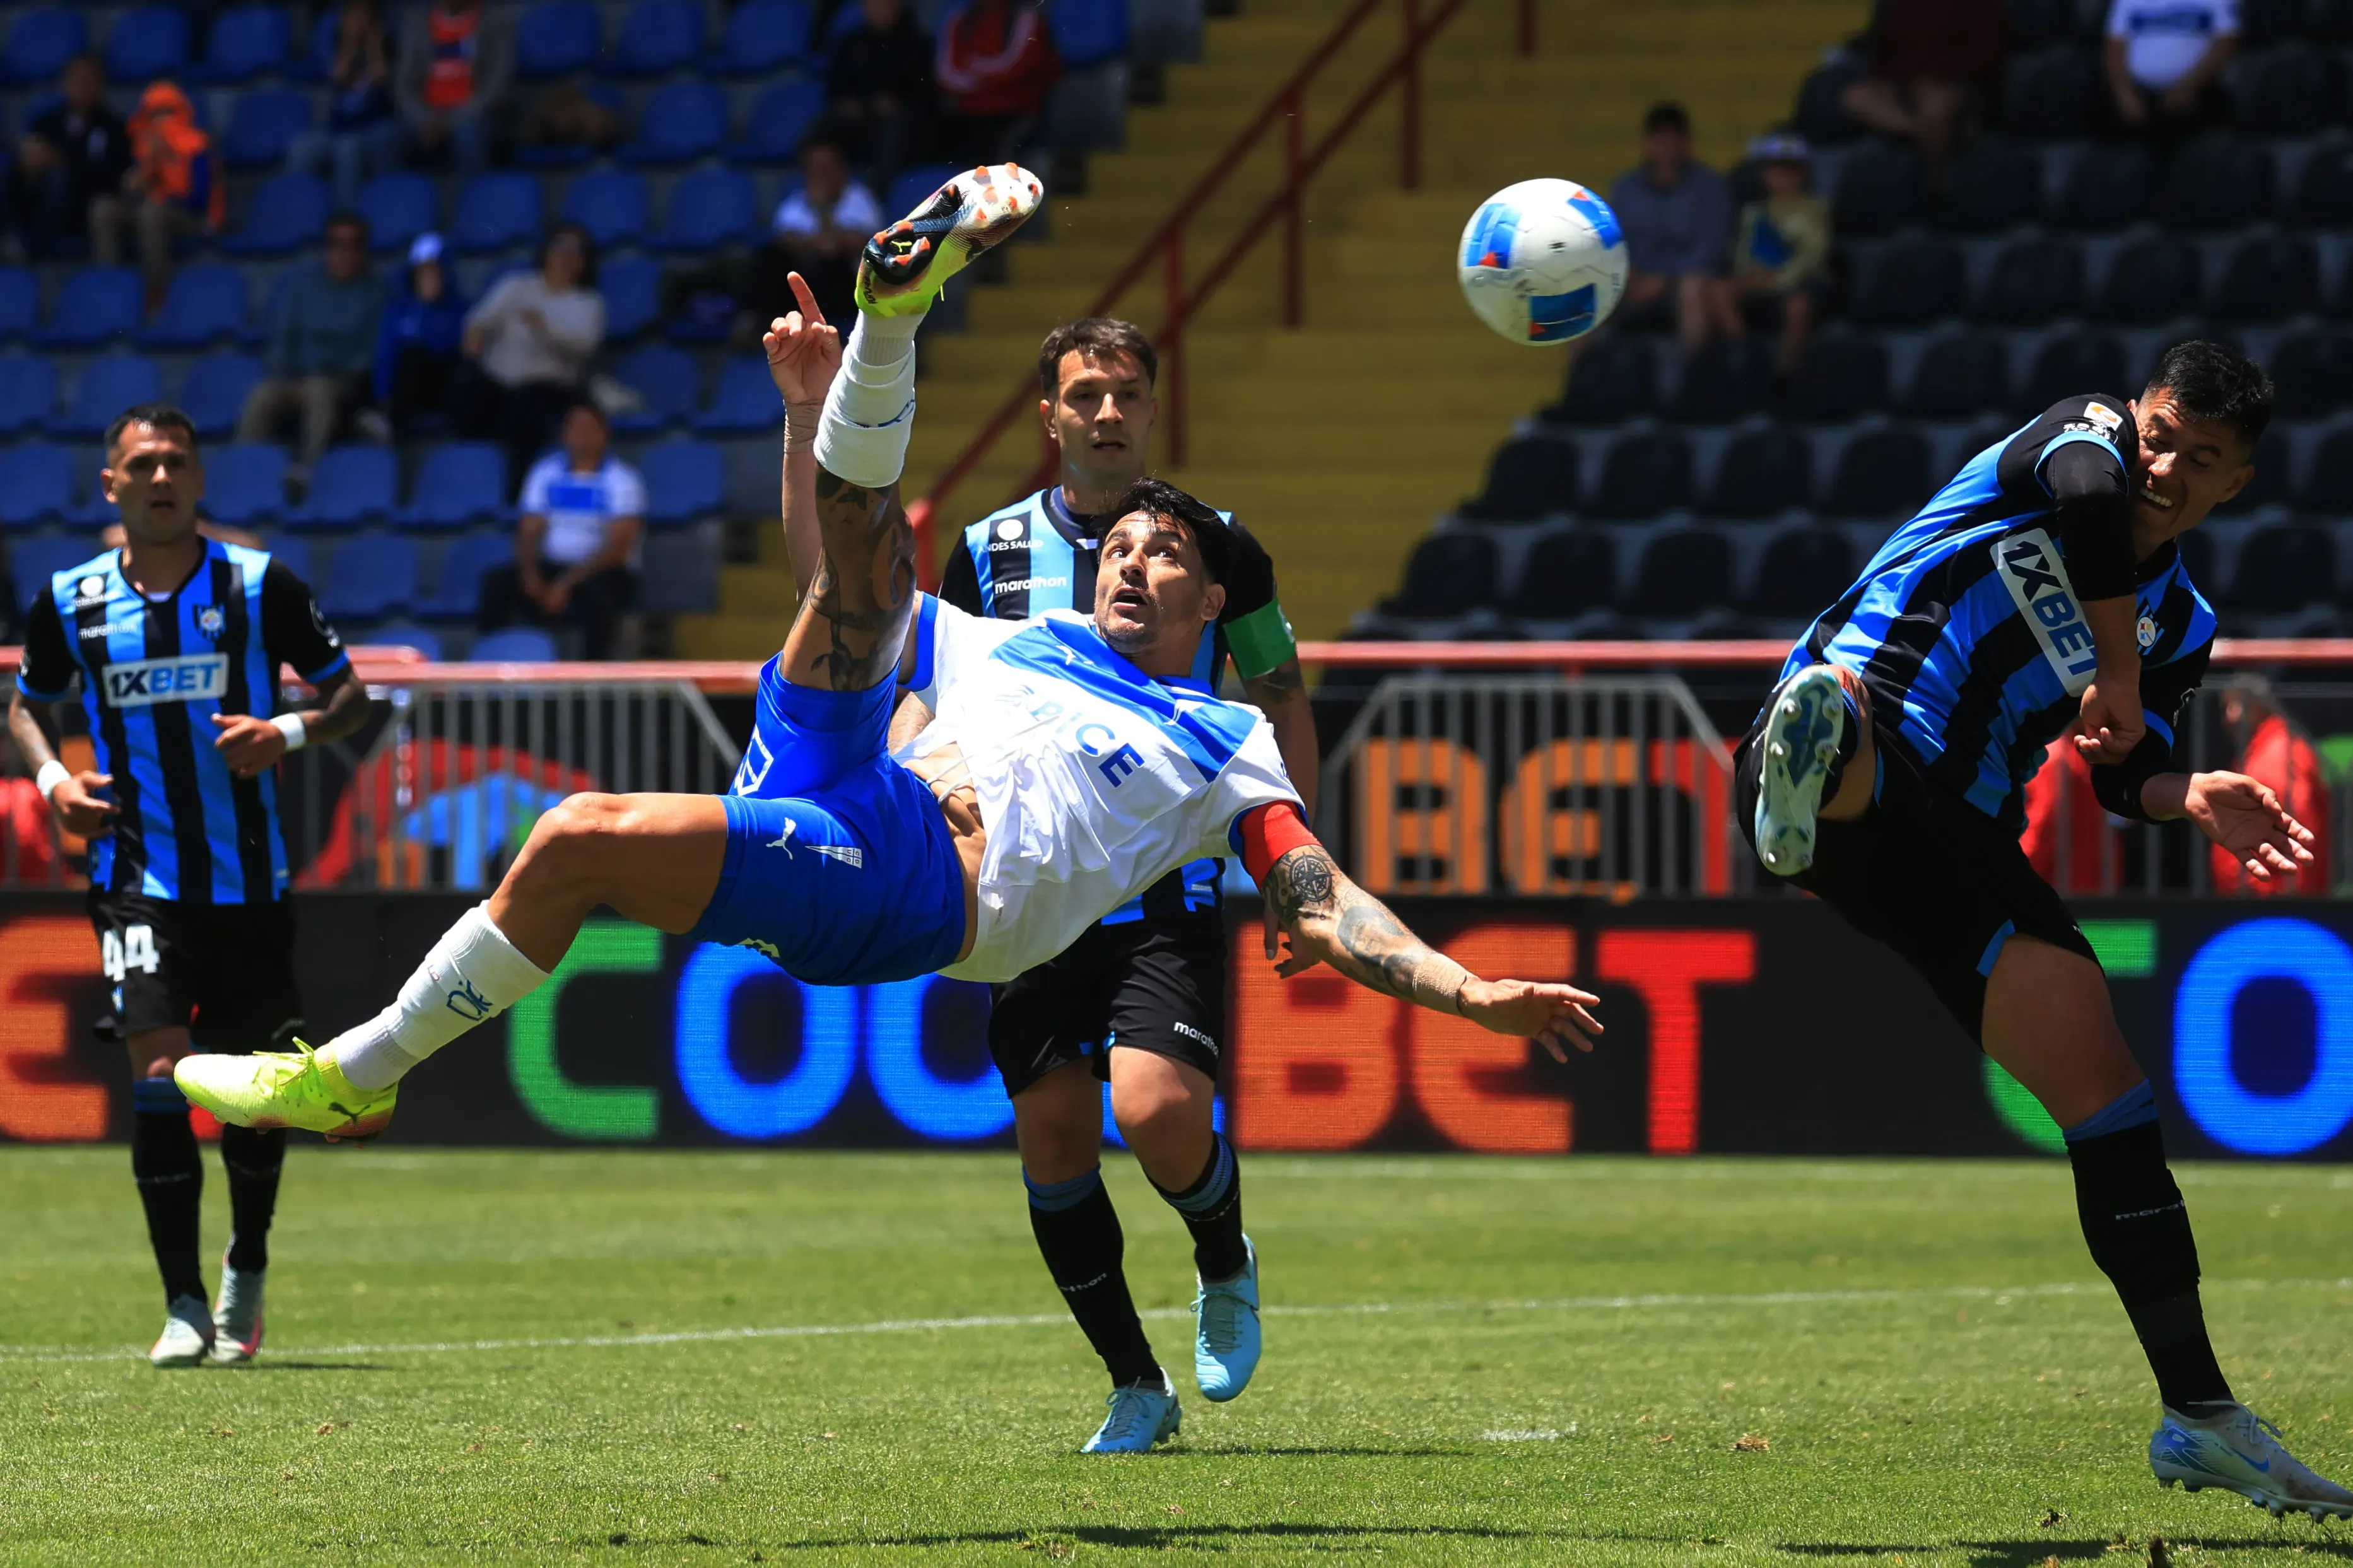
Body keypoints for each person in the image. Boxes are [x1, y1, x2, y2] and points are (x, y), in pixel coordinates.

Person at [173, 173, 1604, 1452]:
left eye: (1161, 552)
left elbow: (1318, 897)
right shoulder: (1023, 639)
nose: (1127, 563)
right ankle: (889, 321)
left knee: (576, 836)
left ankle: (349, 1072)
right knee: (868, 565)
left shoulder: (1224, 737)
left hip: (919, 877)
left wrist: (1468, 994)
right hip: (846, 762)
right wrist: (805, 413)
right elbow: (834, 570)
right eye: (1114, 545)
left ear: (1208, 597)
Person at [1738, 342, 2351, 1519]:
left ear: (2239, 487)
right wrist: (2112, 666)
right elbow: (2090, 504)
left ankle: (2201, 1417)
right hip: (1884, 731)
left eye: (2204, 460)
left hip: (1956, 850)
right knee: (1857, 722)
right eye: (2163, 433)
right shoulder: (2074, 441)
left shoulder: (2183, 622)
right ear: (2138, 411)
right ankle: (1811, 769)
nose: (2167, 465)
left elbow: (2128, 769)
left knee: (2110, 1097)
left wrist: (2188, 795)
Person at [903, 315, 1315, 1450]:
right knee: (1052, 1136)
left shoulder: (1220, 546)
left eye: (1127, 392)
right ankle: (1137, 1384)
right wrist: (911, 780)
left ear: (1150, 407)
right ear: (1050, 415)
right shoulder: (988, 552)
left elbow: (1278, 690)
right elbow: (936, 690)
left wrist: (1291, 865)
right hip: (1030, 885)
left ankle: (1223, 1251)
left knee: (1158, 1111)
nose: (1107, 413)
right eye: (1086, 393)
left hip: (1160, 875)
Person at [8, 404, 370, 1368]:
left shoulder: (258, 586)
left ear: (199, 478)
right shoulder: (72, 599)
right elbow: (26, 704)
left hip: (249, 881)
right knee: (161, 1081)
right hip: (133, 874)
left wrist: (283, 732)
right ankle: (179, 1305)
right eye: (142, 464)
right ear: (110, 484)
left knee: (254, 1092)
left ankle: (243, 1267)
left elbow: (350, 697)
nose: (160, 477)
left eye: (175, 462)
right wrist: (54, 783)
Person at [476, 402, 644, 660]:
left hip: (601, 571)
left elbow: (618, 549)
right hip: (552, 565)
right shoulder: (545, 472)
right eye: (575, 428)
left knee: (602, 596)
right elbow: (528, 530)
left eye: (589, 428)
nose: (582, 435)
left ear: (604, 434)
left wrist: (565, 585)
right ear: (564, 434)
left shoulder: (622, 480)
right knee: (496, 584)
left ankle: (593, 678)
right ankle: (491, 666)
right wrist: (530, 576)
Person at [237, 212, 386, 492]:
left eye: (351, 245)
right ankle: (241, 472)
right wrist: (289, 374)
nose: (343, 254)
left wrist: (330, 372)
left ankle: (308, 470)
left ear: (362, 251)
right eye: (336, 245)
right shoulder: (303, 288)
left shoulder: (376, 293)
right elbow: (283, 339)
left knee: (319, 390)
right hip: (296, 376)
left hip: (342, 382)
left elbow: (372, 351)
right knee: (262, 395)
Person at [452, 225, 605, 496]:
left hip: (547, 385)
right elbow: (479, 321)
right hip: (498, 378)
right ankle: (468, 486)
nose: (565, 256)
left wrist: (545, 330)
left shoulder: (588, 303)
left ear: (584, 263)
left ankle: (516, 493)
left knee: (524, 415)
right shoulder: (516, 286)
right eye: (560, 247)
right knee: (466, 402)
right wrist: (474, 338)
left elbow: (585, 347)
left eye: (575, 252)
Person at [1838, 0, 2008, 194]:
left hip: (1958, 85)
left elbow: (1988, 58)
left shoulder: (1983, 6)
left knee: (1933, 104)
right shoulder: (1901, 6)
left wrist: (1938, 77)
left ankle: (1937, 182)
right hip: (1904, 84)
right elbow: (1883, 57)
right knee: (1856, 97)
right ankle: (1924, 130)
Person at [1606, 103, 1732, 356]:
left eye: (1674, 140)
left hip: (1683, 284)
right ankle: (1580, 384)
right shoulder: (1625, 189)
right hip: (1633, 282)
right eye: (1660, 140)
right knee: (1580, 290)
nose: (1667, 148)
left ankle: (1690, 382)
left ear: (1687, 143)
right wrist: (1631, 277)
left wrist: (1664, 279)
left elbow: (1713, 247)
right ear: (1648, 143)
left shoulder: (1710, 187)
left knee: (1693, 288)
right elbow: (1610, 241)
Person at [90, 81, 225, 308]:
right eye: (154, 114)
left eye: (167, 112)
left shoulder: (198, 145)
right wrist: (142, 176)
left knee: (152, 212)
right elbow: (133, 195)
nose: (161, 121)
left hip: (192, 218)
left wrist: (169, 164)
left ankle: (156, 291)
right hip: (149, 210)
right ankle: (109, 287)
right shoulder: (143, 146)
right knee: (103, 208)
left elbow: (200, 200)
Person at [1710, 131, 1830, 383]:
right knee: (1720, 290)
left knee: (1798, 306)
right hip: (1759, 279)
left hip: (1799, 282)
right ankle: (1746, 355)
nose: (1783, 177)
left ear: (1802, 174)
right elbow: (1743, 252)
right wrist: (1749, 276)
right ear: (1765, 174)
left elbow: (1811, 256)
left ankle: (1785, 373)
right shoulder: (1754, 213)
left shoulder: (1816, 209)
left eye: (1790, 170)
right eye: (1776, 170)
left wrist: (1776, 281)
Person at [746, 131, 883, 331]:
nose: (819, 174)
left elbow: (838, 250)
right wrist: (826, 241)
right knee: (769, 259)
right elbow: (784, 242)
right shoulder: (796, 202)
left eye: (825, 166)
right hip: (805, 279)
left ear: (841, 168)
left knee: (830, 266)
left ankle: (820, 331)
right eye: (813, 168)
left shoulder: (861, 200)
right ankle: (756, 323)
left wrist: (822, 212)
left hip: (849, 288)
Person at [6, 54, 131, 262]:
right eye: (77, 80)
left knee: (59, 177)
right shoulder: (45, 123)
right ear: (64, 84)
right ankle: (11, 236)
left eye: (89, 81)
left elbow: (113, 177)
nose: (82, 87)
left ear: (100, 86)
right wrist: (28, 163)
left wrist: (63, 161)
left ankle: (31, 249)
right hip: (38, 202)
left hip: (83, 209)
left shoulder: (114, 127)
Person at [2210, 681, 2328, 897]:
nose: (2229, 717)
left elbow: (2295, 822)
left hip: (2268, 895)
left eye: (2234, 706)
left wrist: (2275, 890)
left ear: (2256, 707)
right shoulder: (2268, 747)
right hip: (2264, 890)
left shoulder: (2277, 753)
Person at [289, 0, 403, 209]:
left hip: (373, 126)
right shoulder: (337, 48)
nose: (356, 23)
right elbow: (337, 76)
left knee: (347, 149)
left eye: (362, 17)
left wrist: (373, 43)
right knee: (300, 147)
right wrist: (350, 43)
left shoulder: (387, 48)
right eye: (351, 17)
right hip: (338, 128)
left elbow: (380, 78)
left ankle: (346, 213)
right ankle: (298, 209)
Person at [394, 0, 515, 178]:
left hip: (473, 112)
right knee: (388, 137)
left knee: (470, 135)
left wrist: (450, 122)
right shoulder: (419, 24)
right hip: (426, 113)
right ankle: (398, 203)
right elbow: (404, 82)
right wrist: (426, 119)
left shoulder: (495, 22)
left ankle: (473, 201)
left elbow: (496, 84)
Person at [934, 0, 1059, 167]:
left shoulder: (1026, 18)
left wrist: (974, 72)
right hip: (967, 112)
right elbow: (945, 73)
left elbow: (1017, 68)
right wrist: (982, 80)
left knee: (999, 158)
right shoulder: (959, 19)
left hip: (1015, 111)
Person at [369, 231, 468, 439]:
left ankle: (390, 422)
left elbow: (454, 348)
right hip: (407, 388)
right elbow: (386, 354)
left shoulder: (460, 309)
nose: (428, 279)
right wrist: (382, 396)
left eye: (434, 272)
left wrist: (428, 316)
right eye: (422, 273)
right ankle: (385, 416)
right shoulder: (399, 309)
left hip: (441, 384)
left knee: (415, 354)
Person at [2105, 0, 2237, 154]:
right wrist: (2125, 95)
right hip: (2139, 94)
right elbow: (2114, 49)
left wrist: (2189, 88)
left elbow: (2227, 43)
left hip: (2198, 92)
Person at [828, 0, 934, 180]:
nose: (877, 8)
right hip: (858, 116)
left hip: (901, 119)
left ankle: (884, 189)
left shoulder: (918, 43)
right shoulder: (851, 43)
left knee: (893, 130)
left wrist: (896, 103)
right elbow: (835, 88)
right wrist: (850, 103)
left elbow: (925, 93)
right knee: (823, 127)